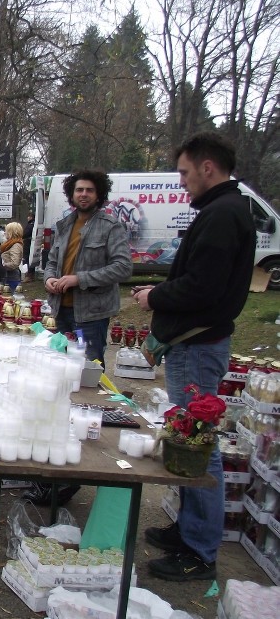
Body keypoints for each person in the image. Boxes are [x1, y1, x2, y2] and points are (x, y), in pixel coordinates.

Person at [134, 132, 256, 582]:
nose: (182, 183)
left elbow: (201, 286)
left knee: (197, 446)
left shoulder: (223, 214)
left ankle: (200, 550)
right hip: (195, 341)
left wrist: (155, 296)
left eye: (185, 173)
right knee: (187, 438)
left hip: (198, 342)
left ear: (208, 168)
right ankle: (188, 530)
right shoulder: (221, 211)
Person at [43, 170, 132, 365]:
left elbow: (123, 267)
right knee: (58, 365)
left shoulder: (111, 227)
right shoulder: (64, 225)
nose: (84, 194)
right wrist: (48, 278)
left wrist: (79, 279)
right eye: (79, 190)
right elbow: (51, 262)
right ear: (71, 195)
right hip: (60, 311)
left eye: (89, 190)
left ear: (98, 195)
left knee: (88, 370)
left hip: (91, 315)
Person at [0, 222, 25, 291]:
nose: (5, 233)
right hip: (7, 275)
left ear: (11, 232)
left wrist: (2, 265)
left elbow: (15, 263)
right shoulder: (9, 243)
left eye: (6, 231)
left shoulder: (16, 245)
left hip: (11, 276)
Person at [23, 212, 35, 282]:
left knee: (27, 259)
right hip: (29, 243)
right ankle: (30, 275)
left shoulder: (30, 225)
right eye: (28, 216)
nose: (28, 218)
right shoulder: (32, 224)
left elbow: (25, 233)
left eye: (30, 216)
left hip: (28, 243)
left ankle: (28, 275)